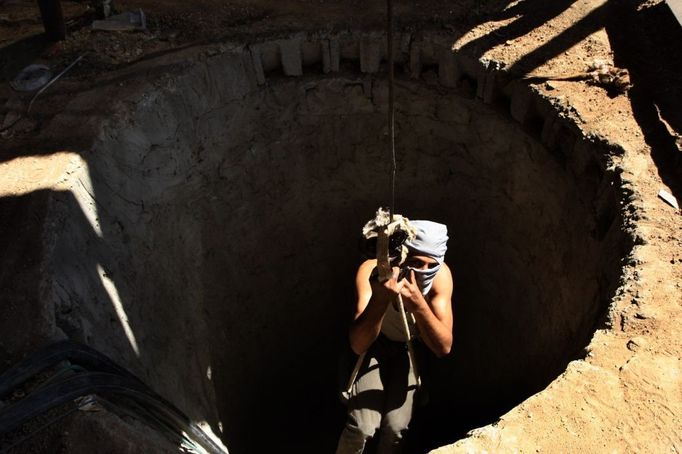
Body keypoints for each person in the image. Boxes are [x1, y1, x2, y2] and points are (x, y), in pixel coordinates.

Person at [336, 220, 453, 454]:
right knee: (361, 427)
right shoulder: (373, 270)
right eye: (416, 262)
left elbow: (443, 348)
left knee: (396, 427)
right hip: (375, 345)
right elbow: (359, 344)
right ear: (401, 257)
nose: (423, 271)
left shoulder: (440, 277)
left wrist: (419, 305)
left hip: (411, 349)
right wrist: (380, 299)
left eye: (431, 265)